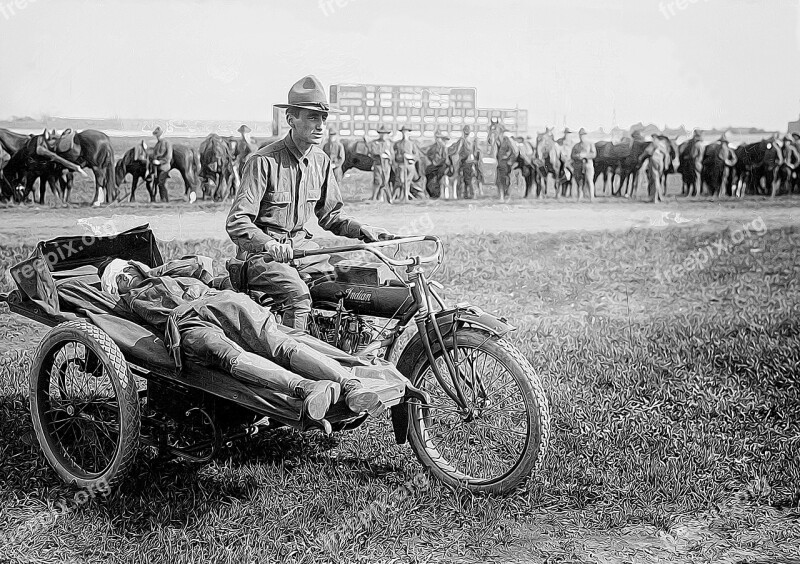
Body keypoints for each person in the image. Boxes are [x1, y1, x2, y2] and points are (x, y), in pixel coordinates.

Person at [100, 257, 385, 427]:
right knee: (229, 355)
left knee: (277, 342)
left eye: (126, 272)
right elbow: (102, 312)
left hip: (217, 302)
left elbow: (203, 265)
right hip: (188, 322)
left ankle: (350, 385)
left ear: (134, 267)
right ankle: (308, 388)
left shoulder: (166, 271)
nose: (126, 279)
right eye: (119, 280)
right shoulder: (126, 303)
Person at [226, 75, 395, 332]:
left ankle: (350, 348)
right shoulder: (263, 161)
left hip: (304, 252)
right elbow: (237, 222)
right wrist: (269, 243)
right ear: (291, 119)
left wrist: (363, 230)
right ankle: (294, 365)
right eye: (312, 117)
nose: (320, 125)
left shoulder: (321, 161)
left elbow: (331, 216)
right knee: (298, 298)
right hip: (262, 258)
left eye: (323, 118)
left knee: (359, 282)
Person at [368, 124, 394, 203]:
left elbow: (392, 155)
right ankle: (374, 197)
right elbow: (372, 152)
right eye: (382, 133)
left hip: (386, 165)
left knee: (385, 181)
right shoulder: (375, 143)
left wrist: (388, 155)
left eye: (385, 133)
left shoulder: (389, 143)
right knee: (378, 180)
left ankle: (382, 197)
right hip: (378, 164)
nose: (383, 135)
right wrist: (380, 154)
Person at [393, 125, 419, 202]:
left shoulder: (412, 144)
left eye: (406, 132)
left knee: (408, 181)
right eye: (403, 132)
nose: (405, 134)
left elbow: (416, 155)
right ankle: (400, 196)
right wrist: (400, 157)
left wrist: (410, 157)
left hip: (410, 165)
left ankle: (406, 196)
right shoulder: (398, 144)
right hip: (401, 165)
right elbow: (394, 155)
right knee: (401, 181)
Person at [571, 128, 597, 201]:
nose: (582, 137)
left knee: (589, 180)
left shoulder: (590, 144)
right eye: (580, 135)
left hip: (588, 165)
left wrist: (585, 155)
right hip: (579, 165)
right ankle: (580, 197)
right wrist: (578, 156)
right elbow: (572, 155)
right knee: (579, 182)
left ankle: (591, 197)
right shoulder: (576, 146)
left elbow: (594, 154)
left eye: (583, 135)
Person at [455, 125, 480, 199]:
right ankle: (469, 193)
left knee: (466, 179)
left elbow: (458, 150)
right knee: (470, 178)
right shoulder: (472, 140)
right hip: (471, 161)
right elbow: (476, 151)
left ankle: (469, 194)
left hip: (466, 161)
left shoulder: (463, 140)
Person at [424, 130, 449, 198]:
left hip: (442, 165)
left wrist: (439, 162)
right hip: (434, 165)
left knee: (436, 178)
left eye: (439, 137)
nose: (437, 139)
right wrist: (432, 160)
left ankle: (436, 194)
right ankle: (431, 194)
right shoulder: (433, 146)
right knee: (428, 173)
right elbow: (428, 154)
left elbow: (445, 158)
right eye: (436, 137)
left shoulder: (443, 147)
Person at [150, 126, 173, 203]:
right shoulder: (157, 144)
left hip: (164, 167)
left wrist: (159, 162)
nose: (157, 137)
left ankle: (165, 200)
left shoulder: (167, 143)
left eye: (158, 135)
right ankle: (162, 199)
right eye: (156, 135)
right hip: (157, 168)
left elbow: (168, 157)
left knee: (161, 183)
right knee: (158, 183)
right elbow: (154, 155)